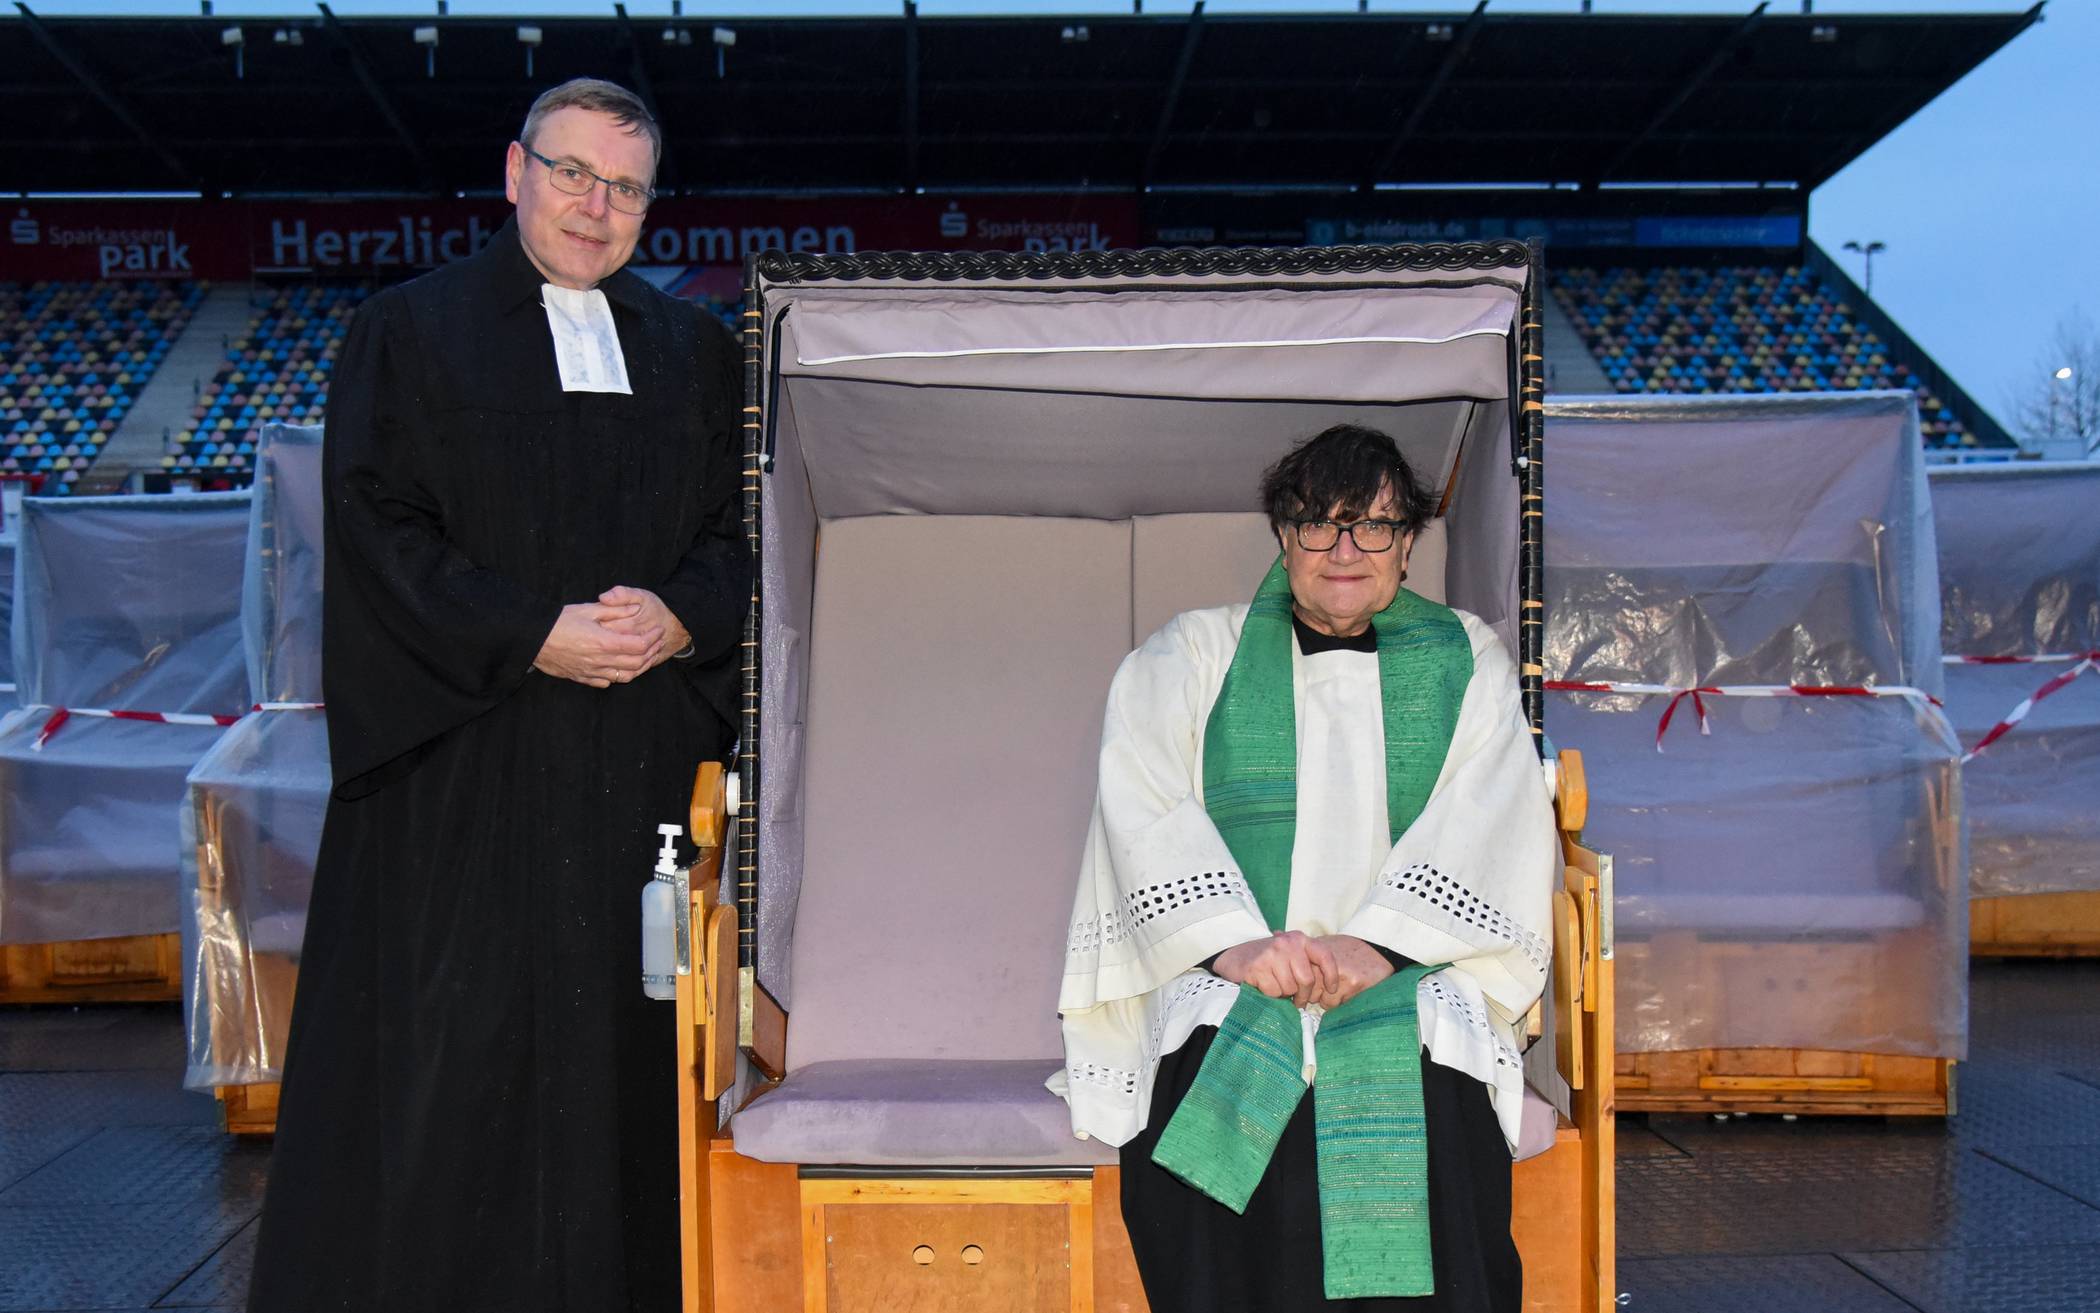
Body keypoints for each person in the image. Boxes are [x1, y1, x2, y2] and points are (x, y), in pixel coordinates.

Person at [247, 79, 748, 1312]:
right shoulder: (407, 332)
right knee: (451, 1070)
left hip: (635, 778)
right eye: (571, 172)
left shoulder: (696, 349)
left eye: (625, 185)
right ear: (513, 170)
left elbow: (743, 533)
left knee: (627, 1067)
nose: (596, 205)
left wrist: (684, 611)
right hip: (460, 781)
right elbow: (377, 533)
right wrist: (532, 633)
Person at [1056, 424, 1555, 1313]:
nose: (1344, 549)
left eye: (1372, 526)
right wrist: (1238, 947)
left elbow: (1492, 815)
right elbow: (1143, 802)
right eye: (1319, 526)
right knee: (1216, 1086)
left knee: (1436, 1096)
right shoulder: (1194, 652)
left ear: (1407, 544)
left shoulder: (1466, 659)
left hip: (1410, 973)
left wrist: (1382, 948)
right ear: (1283, 539)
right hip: (1236, 970)